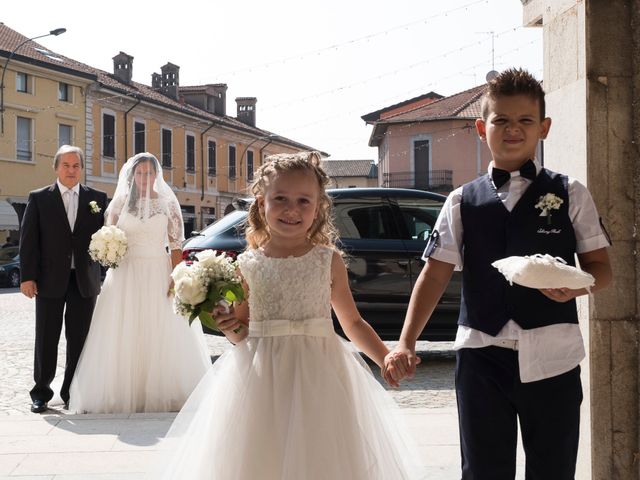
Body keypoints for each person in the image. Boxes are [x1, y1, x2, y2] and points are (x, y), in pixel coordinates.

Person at [384, 68, 613, 479]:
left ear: (543, 128)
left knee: (554, 469)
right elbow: (433, 276)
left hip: (554, 356)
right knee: (483, 470)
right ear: (480, 128)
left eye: (525, 120)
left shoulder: (570, 192)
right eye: (501, 120)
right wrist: (405, 342)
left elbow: (601, 269)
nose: (513, 129)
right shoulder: (460, 201)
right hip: (480, 353)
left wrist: (575, 289)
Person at [148, 151, 421, 479]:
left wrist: (385, 357)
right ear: (262, 204)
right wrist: (229, 327)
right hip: (262, 375)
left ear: (318, 206)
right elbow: (243, 330)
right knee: (262, 455)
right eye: (281, 199)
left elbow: (352, 322)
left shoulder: (327, 260)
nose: (292, 209)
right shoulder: (248, 263)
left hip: (320, 374)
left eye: (304, 201)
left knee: (321, 455)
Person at [68, 152, 211, 414]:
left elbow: (176, 245)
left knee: (158, 327)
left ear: (157, 175)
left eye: (149, 172)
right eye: (140, 172)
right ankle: (121, 392)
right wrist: (107, 250)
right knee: (125, 327)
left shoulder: (168, 203)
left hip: (158, 269)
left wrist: (175, 276)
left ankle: (161, 391)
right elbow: (108, 235)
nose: (145, 177)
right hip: (126, 273)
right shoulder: (120, 203)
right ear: (132, 175)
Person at [19, 145, 108, 413]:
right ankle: (41, 393)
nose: (71, 170)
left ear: (82, 169)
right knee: (46, 337)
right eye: (66, 165)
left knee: (79, 339)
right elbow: (28, 241)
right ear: (56, 167)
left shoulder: (98, 198)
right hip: (48, 279)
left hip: (84, 280)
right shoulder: (39, 198)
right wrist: (27, 277)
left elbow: (106, 237)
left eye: (76, 166)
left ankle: (72, 392)